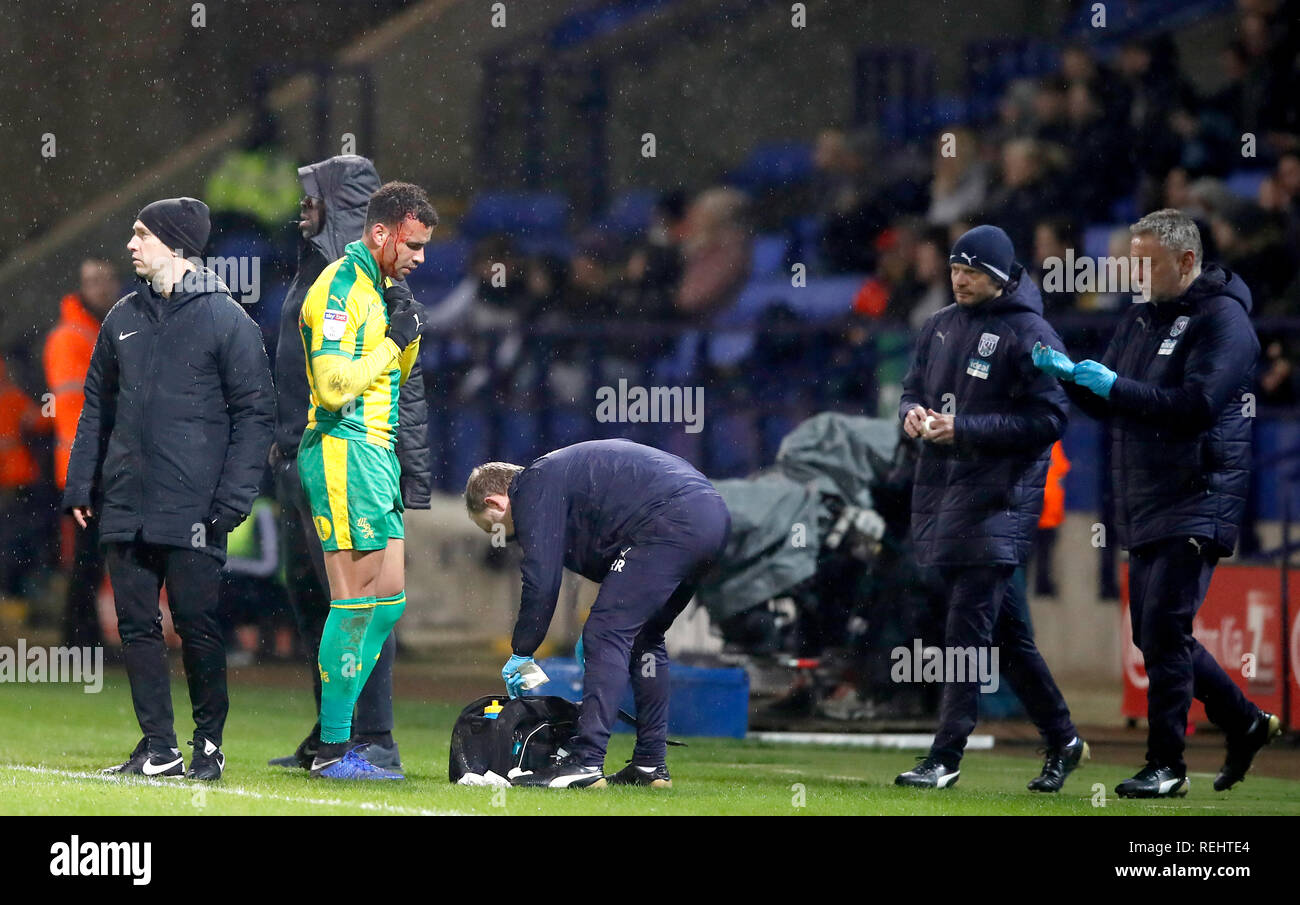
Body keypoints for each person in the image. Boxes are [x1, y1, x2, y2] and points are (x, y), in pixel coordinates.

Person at [1033, 208, 1278, 797]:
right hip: (1145, 496)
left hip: (1200, 492)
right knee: (1154, 636)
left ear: (1186, 262)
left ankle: (1167, 765)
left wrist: (1114, 386)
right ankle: (1244, 721)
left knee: (1164, 631)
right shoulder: (1142, 318)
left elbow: (1196, 407)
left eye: (1144, 264)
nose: (1133, 275)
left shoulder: (1224, 321)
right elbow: (1114, 401)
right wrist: (1067, 376)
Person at [63, 198, 275, 781]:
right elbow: (95, 410)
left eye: (140, 234)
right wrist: (82, 481)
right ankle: (159, 746)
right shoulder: (121, 317)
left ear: (175, 244)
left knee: (198, 625)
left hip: (194, 505)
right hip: (127, 499)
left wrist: (233, 499)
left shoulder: (228, 320)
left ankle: (208, 743)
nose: (130, 244)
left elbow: (256, 414)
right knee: (136, 626)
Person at [895, 224, 1086, 792]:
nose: (959, 278)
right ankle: (1064, 738)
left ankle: (945, 756)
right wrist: (911, 415)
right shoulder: (937, 327)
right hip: (947, 493)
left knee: (964, 633)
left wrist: (968, 429)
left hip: (1000, 501)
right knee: (1009, 639)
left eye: (972, 271)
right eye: (955, 268)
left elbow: (1052, 418)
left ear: (1000, 277)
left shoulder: (1033, 334)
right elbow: (910, 389)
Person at [266, 156, 430, 773]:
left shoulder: (370, 282)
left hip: (357, 450)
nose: (302, 208)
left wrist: (409, 472)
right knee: (323, 601)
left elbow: (397, 390)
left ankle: (366, 737)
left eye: (312, 198)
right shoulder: (331, 277)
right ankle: (335, 733)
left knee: (362, 602)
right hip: (316, 452)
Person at [464, 440, 731, 789]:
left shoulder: (532, 485)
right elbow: (616, 565)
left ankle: (585, 763)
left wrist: (522, 650)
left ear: (494, 501)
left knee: (606, 633)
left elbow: (542, 581)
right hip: (711, 518)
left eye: (494, 528)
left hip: (672, 519)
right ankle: (650, 765)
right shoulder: (559, 481)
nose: (506, 538)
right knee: (643, 638)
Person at [44, 258, 120, 647]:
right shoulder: (74, 337)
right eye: (92, 281)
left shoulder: (94, 332)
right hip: (85, 466)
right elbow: (78, 409)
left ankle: (82, 639)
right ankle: (80, 640)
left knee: (91, 560)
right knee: (87, 561)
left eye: (104, 280)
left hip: (93, 463)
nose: (100, 288)